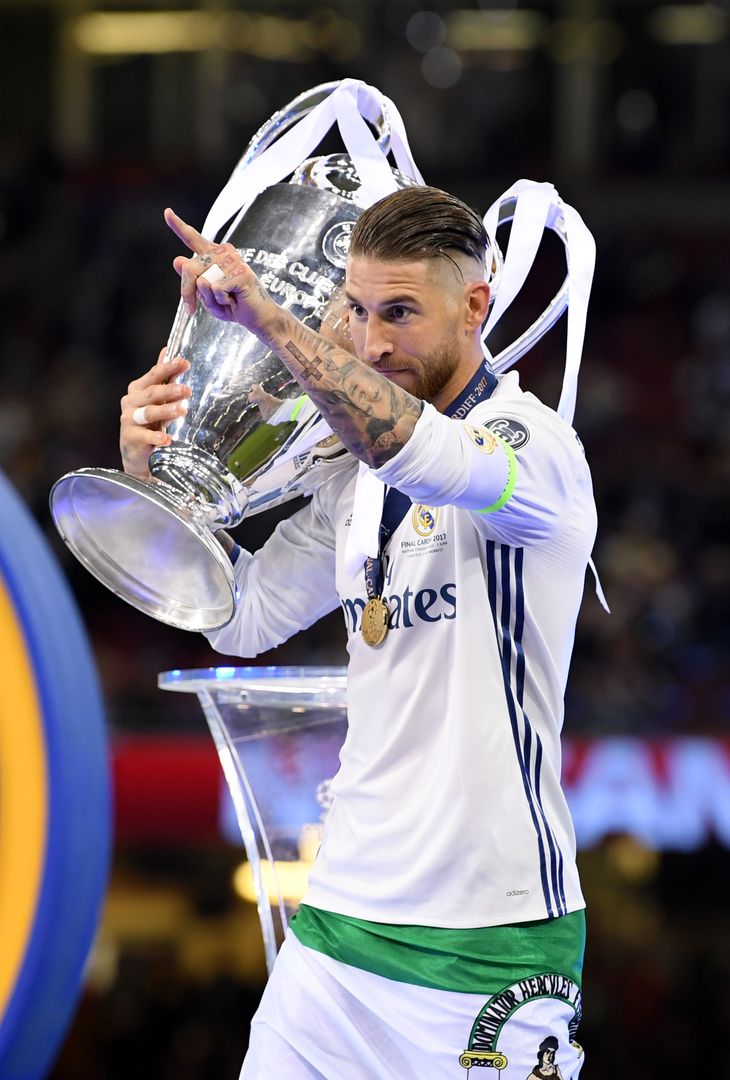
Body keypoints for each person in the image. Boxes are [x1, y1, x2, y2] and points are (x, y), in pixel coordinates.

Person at [121, 186, 594, 1079]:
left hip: (485, 940)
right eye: (359, 309)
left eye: (403, 314)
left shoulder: (536, 452)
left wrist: (271, 323)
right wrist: (151, 485)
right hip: (338, 923)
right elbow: (241, 616)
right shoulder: (356, 481)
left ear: (476, 307)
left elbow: (424, 452)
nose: (374, 341)